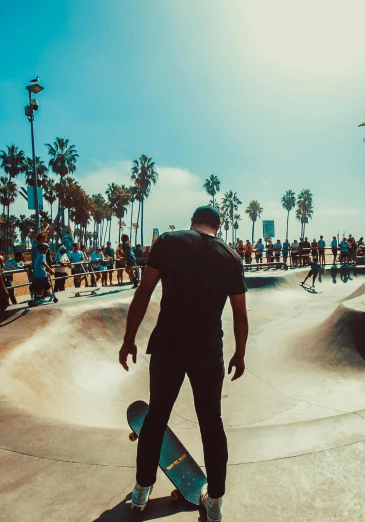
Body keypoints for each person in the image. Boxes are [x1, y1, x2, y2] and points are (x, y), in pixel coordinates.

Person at [119, 206, 248, 521]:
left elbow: (143, 292)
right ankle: (215, 501)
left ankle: (140, 491)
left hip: (168, 344)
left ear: (194, 223)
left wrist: (129, 338)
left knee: (157, 417)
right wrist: (240, 353)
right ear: (218, 227)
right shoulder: (231, 257)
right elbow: (240, 315)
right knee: (211, 421)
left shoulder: (168, 241)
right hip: (207, 349)